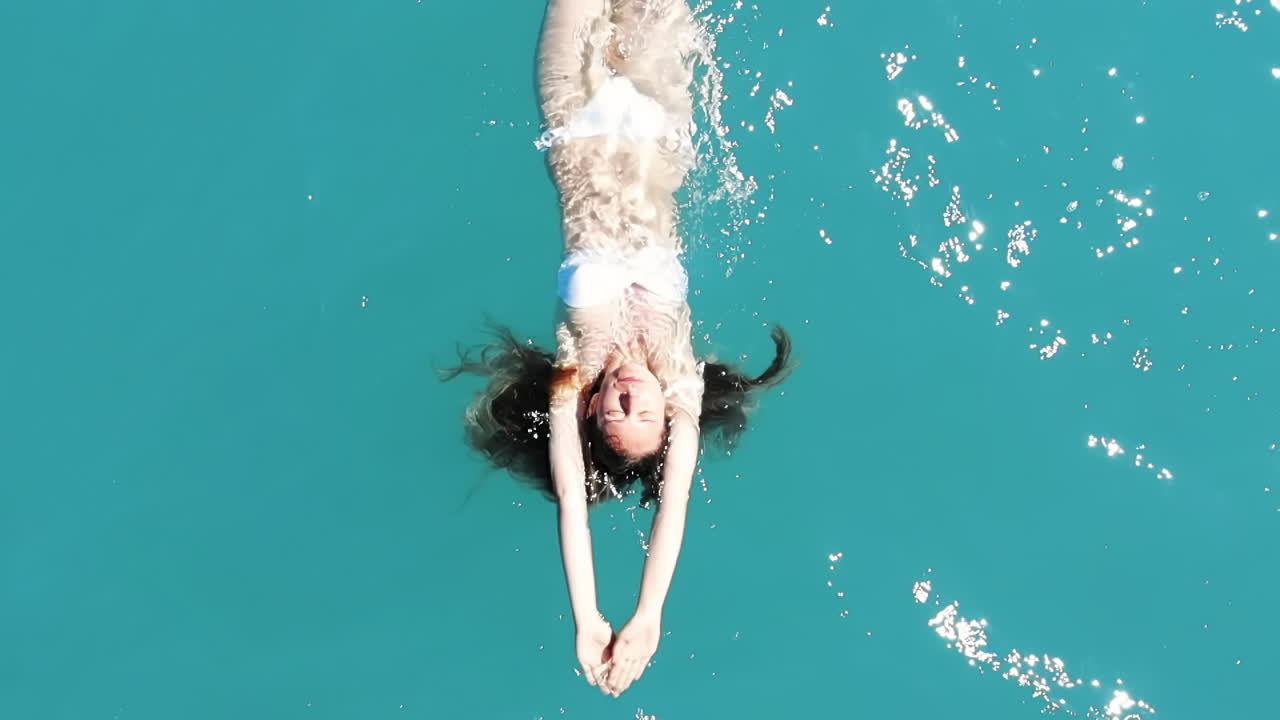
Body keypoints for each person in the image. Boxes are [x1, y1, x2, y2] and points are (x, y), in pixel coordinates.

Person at [445, 0, 793, 697]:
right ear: (669, 414)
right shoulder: (679, 371)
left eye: (615, 411)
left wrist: (588, 618)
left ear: (592, 406)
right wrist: (650, 615)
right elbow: (674, 507)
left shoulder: (578, 363)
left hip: (575, 109)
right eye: (646, 412)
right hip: (660, 119)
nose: (632, 393)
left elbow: (574, 500)